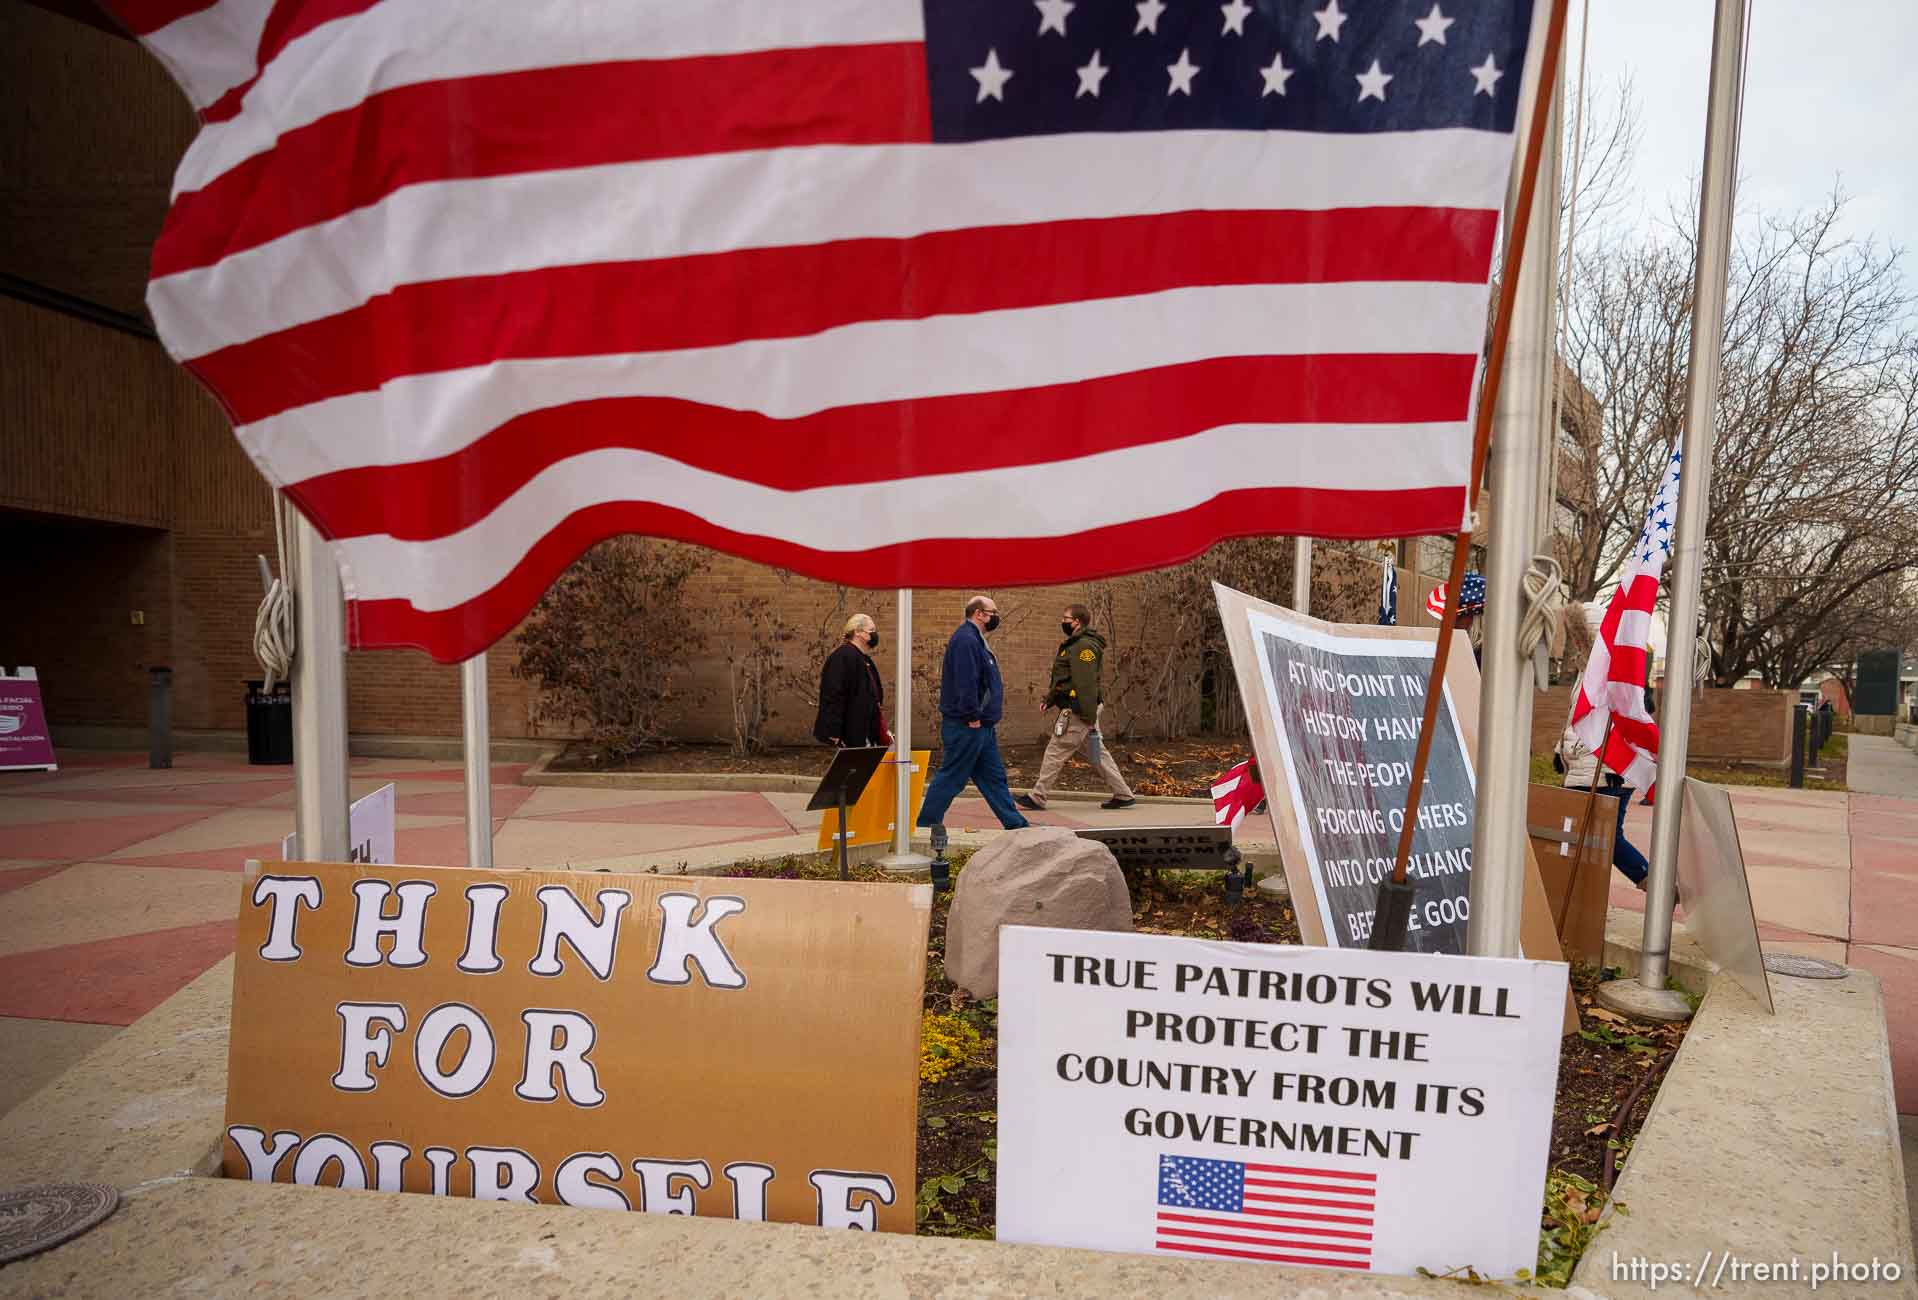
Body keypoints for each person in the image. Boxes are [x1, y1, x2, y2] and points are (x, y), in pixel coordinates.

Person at [916, 595, 1030, 855]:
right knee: (952, 777)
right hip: (968, 724)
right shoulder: (965, 640)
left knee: (994, 778)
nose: (996, 616)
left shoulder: (975, 639)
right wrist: (972, 714)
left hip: (982, 727)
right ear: (979, 613)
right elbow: (966, 681)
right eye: (993, 612)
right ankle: (925, 824)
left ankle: (1015, 824)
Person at [1017, 603, 1135, 811]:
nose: (1063, 622)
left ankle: (1038, 796)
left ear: (1077, 622)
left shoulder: (1083, 647)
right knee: (1097, 753)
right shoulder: (1076, 644)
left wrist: (1087, 716)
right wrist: (1050, 699)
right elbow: (1065, 678)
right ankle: (1123, 794)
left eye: (1066, 619)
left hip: (1078, 708)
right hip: (1081, 708)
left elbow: (1085, 683)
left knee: (1056, 749)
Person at [1555, 725, 1649, 890]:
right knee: (1593, 837)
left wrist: (1612, 768)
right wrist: (1559, 751)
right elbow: (1574, 722)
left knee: (1607, 837)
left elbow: (1613, 723)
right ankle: (1582, 892)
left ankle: (1649, 878)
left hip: (1601, 777)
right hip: (1589, 774)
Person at [813, 614, 889, 749]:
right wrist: (833, 729)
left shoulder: (863, 659)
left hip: (865, 728)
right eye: (871, 630)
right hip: (851, 730)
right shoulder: (843, 657)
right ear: (858, 632)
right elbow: (833, 694)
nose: (875, 634)